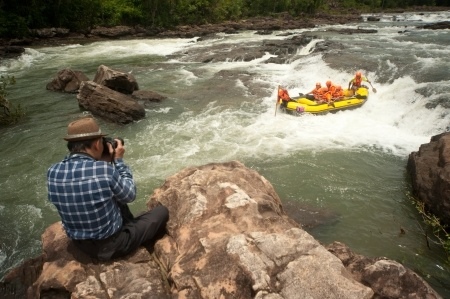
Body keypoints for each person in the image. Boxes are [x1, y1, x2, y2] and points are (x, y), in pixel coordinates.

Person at [47, 117, 169, 261]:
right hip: (112, 245)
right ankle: (133, 231)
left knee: (110, 193)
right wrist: (118, 161)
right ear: (98, 144)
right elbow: (130, 195)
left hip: (80, 245)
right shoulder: (104, 170)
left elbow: (84, 179)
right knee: (162, 212)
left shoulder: (52, 171)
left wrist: (101, 161)